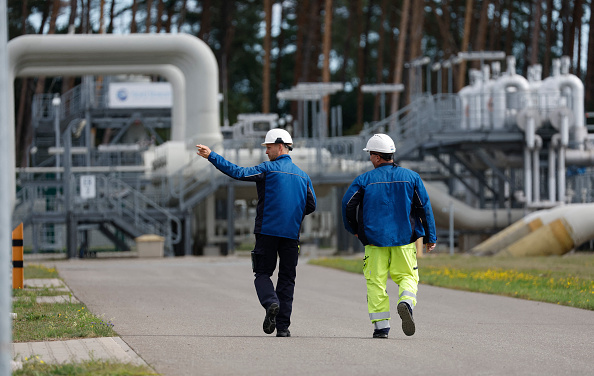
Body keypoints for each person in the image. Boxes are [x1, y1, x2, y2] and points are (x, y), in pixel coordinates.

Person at [196, 128, 316, 338]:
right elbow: (311, 205)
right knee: (287, 279)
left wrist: (212, 156)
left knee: (262, 274)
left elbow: (238, 172)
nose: (266, 152)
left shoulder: (267, 169)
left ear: (280, 147)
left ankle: (271, 302)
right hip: (291, 235)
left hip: (267, 231)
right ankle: (283, 328)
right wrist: (293, 214)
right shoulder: (304, 176)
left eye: (268, 148)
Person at [341, 133, 436, 339]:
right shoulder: (412, 177)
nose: (369, 159)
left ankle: (381, 328)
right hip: (405, 240)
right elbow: (424, 208)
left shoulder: (364, 180)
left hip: (374, 242)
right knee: (408, 277)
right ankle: (406, 302)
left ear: (376, 157)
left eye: (370, 155)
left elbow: (348, 205)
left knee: (376, 282)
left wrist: (355, 229)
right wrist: (431, 236)